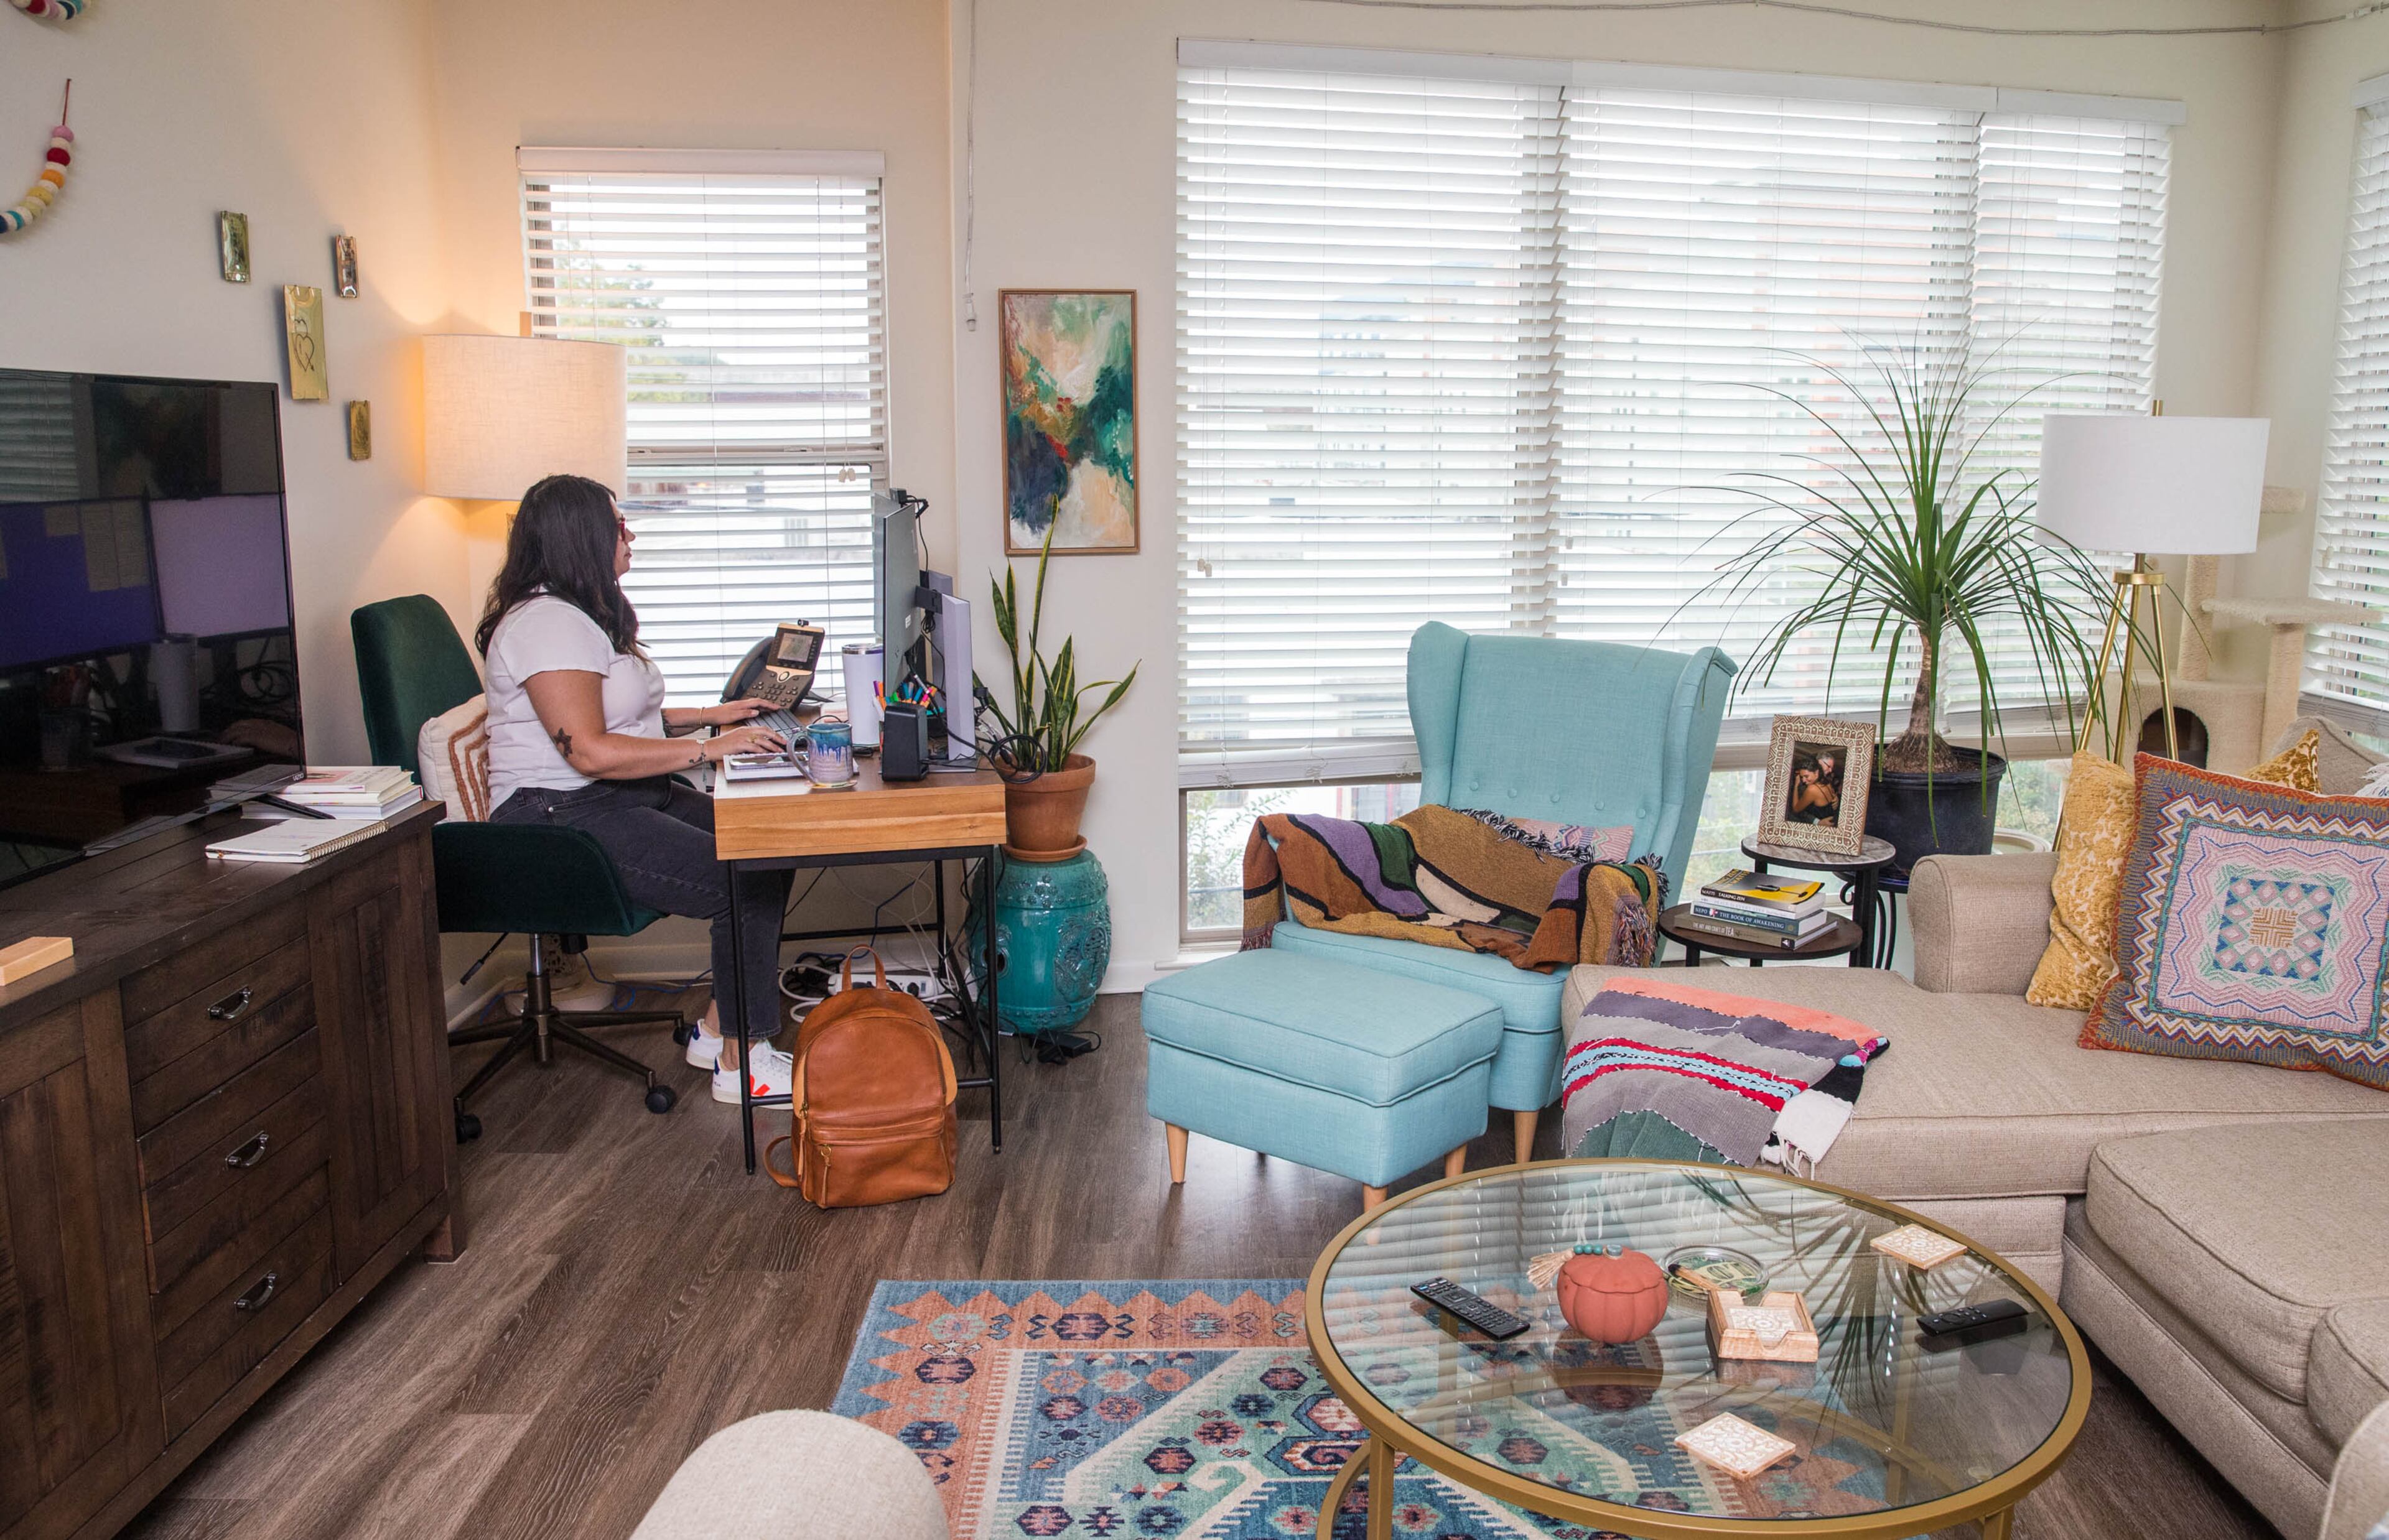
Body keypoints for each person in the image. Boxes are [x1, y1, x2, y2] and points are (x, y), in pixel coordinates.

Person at [477, 473, 795, 1103]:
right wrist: (707, 750)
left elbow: (620, 718)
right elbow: (590, 749)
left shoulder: (580, 618)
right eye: (616, 524)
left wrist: (713, 714)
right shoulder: (545, 624)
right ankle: (743, 1059)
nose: (629, 533)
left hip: (616, 794)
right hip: (557, 818)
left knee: (766, 843)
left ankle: (716, 1028)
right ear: (580, 539)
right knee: (742, 874)